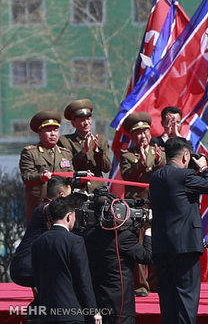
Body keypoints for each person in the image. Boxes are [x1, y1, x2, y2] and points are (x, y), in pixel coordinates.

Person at [150, 136, 208, 323]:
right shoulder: (185, 176)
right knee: (186, 298)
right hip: (185, 247)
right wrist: (203, 167)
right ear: (186, 155)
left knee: (167, 298)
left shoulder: (156, 176)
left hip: (162, 246)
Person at [31, 195, 102, 324]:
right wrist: (93, 310)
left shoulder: (38, 242)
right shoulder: (75, 241)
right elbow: (83, 279)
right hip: (71, 313)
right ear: (69, 216)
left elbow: (36, 279)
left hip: (46, 314)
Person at [85, 193, 153, 324]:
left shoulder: (87, 233)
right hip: (119, 305)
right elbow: (147, 257)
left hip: (96, 298)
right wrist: (148, 231)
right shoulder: (123, 237)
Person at [120, 112, 165, 297]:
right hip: (138, 206)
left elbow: (163, 170)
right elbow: (128, 174)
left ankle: (156, 281)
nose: (143, 136)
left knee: (158, 243)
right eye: (138, 133)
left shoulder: (158, 151)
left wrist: (155, 159)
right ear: (132, 136)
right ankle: (141, 284)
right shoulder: (127, 155)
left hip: (157, 204)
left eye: (145, 132)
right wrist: (144, 160)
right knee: (138, 245)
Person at [10, 177, 71, 289]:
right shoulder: (49, 210)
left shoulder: (42, 208)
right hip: (27, 267)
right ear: (61, 195)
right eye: (69, 197)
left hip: (24, 264)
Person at [19, 110, 74, 224]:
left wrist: (82, 179)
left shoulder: (65, 153)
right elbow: (26, 177)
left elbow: (70, 177)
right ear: (40, 133)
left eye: (56, 130)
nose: (53, 134)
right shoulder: (30, 153)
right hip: (40, 206)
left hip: (62, 208)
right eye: (48, 131)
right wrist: (41, 177)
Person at [60, 99, 112, 191]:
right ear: (73, 123)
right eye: (82, 120)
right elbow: (67, 168)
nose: (86, 123)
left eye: (88, 118)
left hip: (98, 188)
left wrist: (98, 152)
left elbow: (107, 168)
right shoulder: (65, 141)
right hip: (76, 188)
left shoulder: (100, 140)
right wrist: (83, 152)